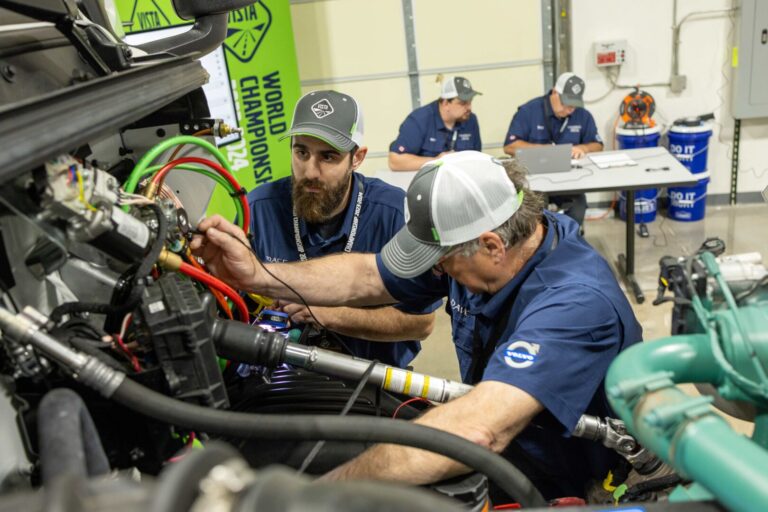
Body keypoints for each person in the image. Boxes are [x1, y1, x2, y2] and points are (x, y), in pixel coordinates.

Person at [191, 151, 642, 499]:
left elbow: (480, 430)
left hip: (568, 475)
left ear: (491, 246)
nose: (437, 271)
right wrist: (255, 275)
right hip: (507, 437)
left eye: (441, 260)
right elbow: (364, 276)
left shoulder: (574, 304)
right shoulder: (500, 239)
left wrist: (323, 495)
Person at [246, 89, 439, 368]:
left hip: (374, 379)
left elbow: (422, 323)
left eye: (328, 157)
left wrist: (329, 314)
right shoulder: (260, 209)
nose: (310, 172)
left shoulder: (394, 214)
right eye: (301, 152)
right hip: (282, 378)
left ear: (357, 158)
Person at [503, 72, 603, 226]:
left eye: (574, 105)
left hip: (570, 181)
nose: (570, 110)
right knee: (536, 212)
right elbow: (509, 147)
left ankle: (569, 242)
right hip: (535, 181)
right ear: (555, 92)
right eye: (566, 104)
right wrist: (543, 150)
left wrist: (583, 147)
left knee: (578, 208)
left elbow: (598, 145)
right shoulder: (529, 111)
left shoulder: (583, 116)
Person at [388, 76, 482, 171]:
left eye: (470, 102)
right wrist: (436, 161)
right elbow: (395, 161)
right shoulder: (419, 119)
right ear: (445, 103)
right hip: (426, 182)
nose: (469, 108)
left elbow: (477, 159)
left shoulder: (470, 120)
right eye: (463, 103)